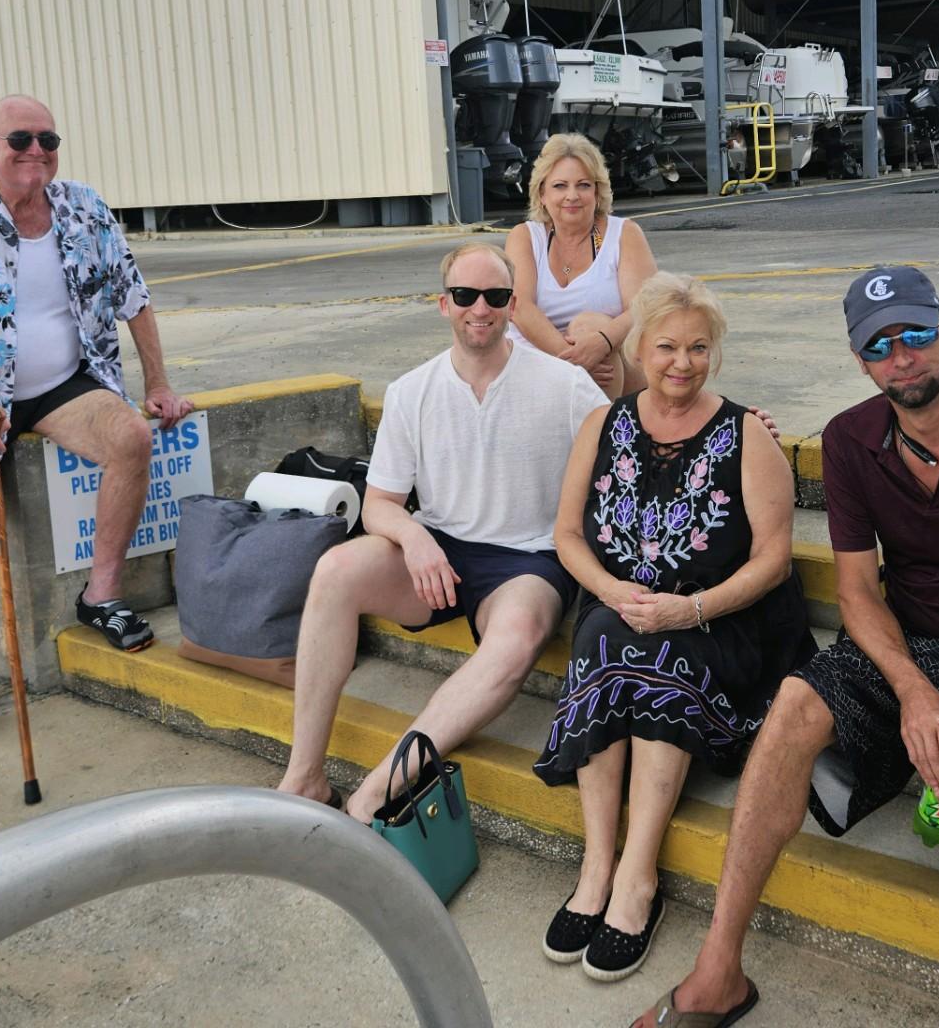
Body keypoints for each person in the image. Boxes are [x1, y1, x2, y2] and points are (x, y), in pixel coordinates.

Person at [631, 266, 939, 1028]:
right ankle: (718, 970)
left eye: (917, 334)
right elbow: (858, 592)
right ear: (860, 359)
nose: (903, 355)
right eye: (880, 344)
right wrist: (915, 689)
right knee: (794, 703)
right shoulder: (850, 440)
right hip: (910, 644)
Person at [535, 273, 816, 983]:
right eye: (665, 347)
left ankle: (638, 877)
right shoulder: (605, 423)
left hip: (721, 617)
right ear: (639, 347)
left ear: (714, 353)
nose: (681, 363)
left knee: (664, 654)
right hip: (624, 601)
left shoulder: (746, 432)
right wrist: (611, 588)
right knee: (603, 638)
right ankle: (595, 865)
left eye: (697, 348)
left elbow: (774, 561)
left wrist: (687, 608)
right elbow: (568, 534)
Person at [277, 242, 608, 823]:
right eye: (465, 295)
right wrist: (414, 536)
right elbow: (379, 503)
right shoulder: (412, 390)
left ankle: (375, 792)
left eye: (496, 296)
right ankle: (303, 776)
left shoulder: (565, 385)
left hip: (527, 559)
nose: (479, 308)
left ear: (512, 305)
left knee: (519, 633)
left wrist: (736, 424)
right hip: (439, 549)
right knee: (335, 570)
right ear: (443, 304)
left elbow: (635, 443)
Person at [0, 95, 192, 744]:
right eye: (19, 139)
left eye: (48, 138)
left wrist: (157, 381)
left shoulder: (83, 205)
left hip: (62, 385)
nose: (35, 150)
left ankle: (101, 595)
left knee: (129, 437)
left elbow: (133, 294)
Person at [505, 133, 657, 397]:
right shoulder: (524, 237)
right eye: (560, 186)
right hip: (538, 359)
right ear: (541, 193)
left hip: (610, 361)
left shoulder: (624, 235)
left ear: (597, 192)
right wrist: (574, 359)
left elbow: (644, 308)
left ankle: (600, 433)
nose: (572, 196)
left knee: (589, 326)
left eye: (583, 185)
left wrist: (600, 342)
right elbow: (520, 308)